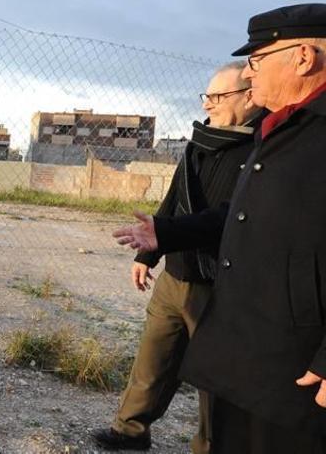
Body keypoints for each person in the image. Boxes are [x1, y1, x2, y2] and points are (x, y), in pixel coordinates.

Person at [114, 3, 326, 453]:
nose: (253, 74)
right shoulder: (282, 130)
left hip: (298, 364)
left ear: (304, 57)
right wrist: (163, 236)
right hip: (253, 347)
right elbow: (240, 214)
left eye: (258, 60)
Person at [93, 62, 263, 452]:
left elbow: (227, 219)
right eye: (207, 96)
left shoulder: (262, 148)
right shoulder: (198, 143)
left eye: (219, 97)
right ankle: (130, 430)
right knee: (153, 360)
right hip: (176, 275)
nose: (210, 105)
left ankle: (210, 446)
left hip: (221, 285)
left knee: (215, 377)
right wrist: (147, 257)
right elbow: (173, 202)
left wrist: (164, 235)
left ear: (249, 96)